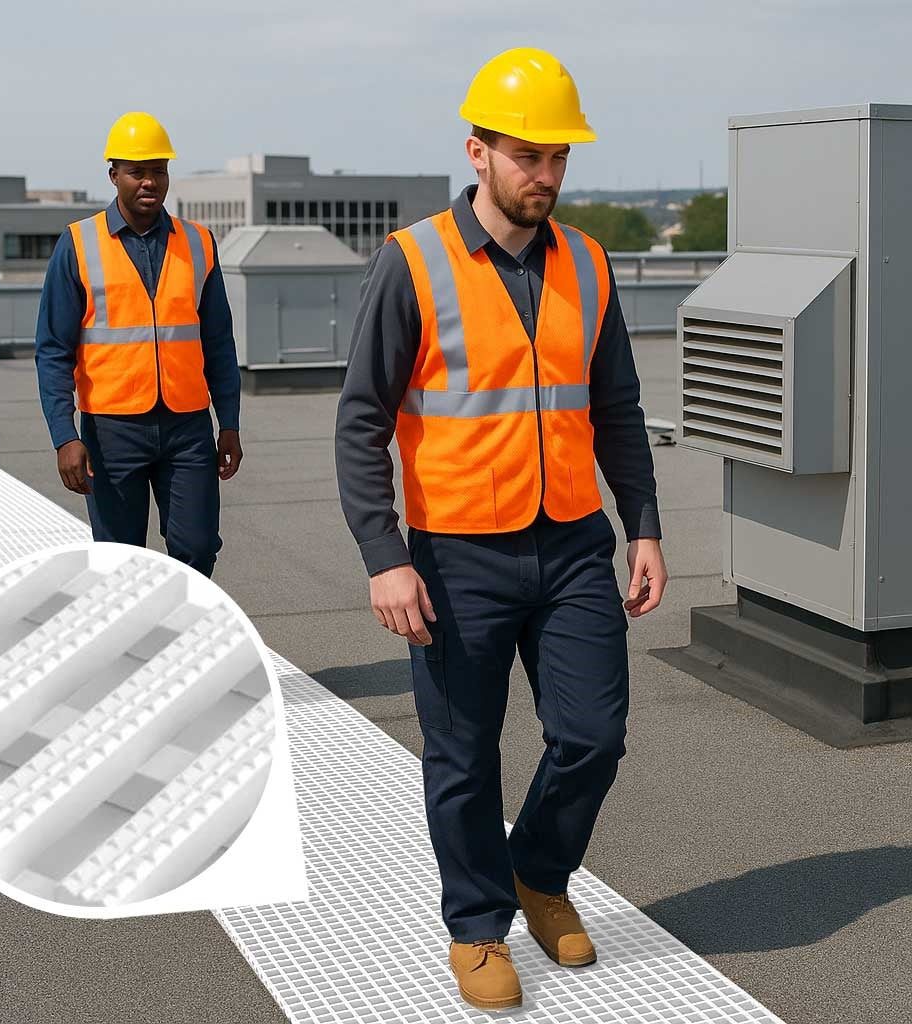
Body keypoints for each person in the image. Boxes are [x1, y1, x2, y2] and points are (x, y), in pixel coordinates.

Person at [335, 49, 668, 1012]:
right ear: (477, 152)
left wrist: (640, 523)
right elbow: (362, 418)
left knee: (593, 737)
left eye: (561, 157)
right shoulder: (413, 262)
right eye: (531, 156)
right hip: (454, 552)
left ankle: (539, 875)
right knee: (462, 755)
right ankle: (478, 926)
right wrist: (383, 555)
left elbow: (616, 407)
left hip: (570, 542)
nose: (549, 176)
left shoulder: (590, 263)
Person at [35, 111, 242, 578]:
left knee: (197, 546)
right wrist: (65, 436)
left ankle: (180, 644)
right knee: (119, 559)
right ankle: (130, 649)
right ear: (114, 175)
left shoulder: (199, 243)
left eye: (159, 170)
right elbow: (52, 349)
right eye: (137, 171)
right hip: (112, 431)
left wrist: (228, 421)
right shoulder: (78, 244)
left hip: (187, 426)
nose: (149, 181)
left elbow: (219, 343)